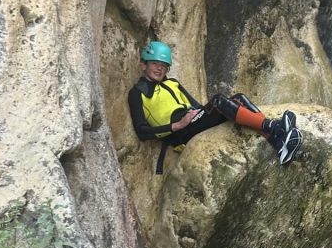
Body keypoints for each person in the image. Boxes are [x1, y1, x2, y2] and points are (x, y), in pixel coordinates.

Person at [128, 40, 303, 173]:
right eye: (155, 64)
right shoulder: (137, 93)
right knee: (219, 100)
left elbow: (196, 105)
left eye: (164, 66)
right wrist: (177, 125)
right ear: (144, 65)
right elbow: (142, 131)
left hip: (193, 121)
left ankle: (280, 145)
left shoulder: (172, 83)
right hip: (180, 134)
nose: (159, 69)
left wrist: (199, 113)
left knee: (238, 98)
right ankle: (275, 128)